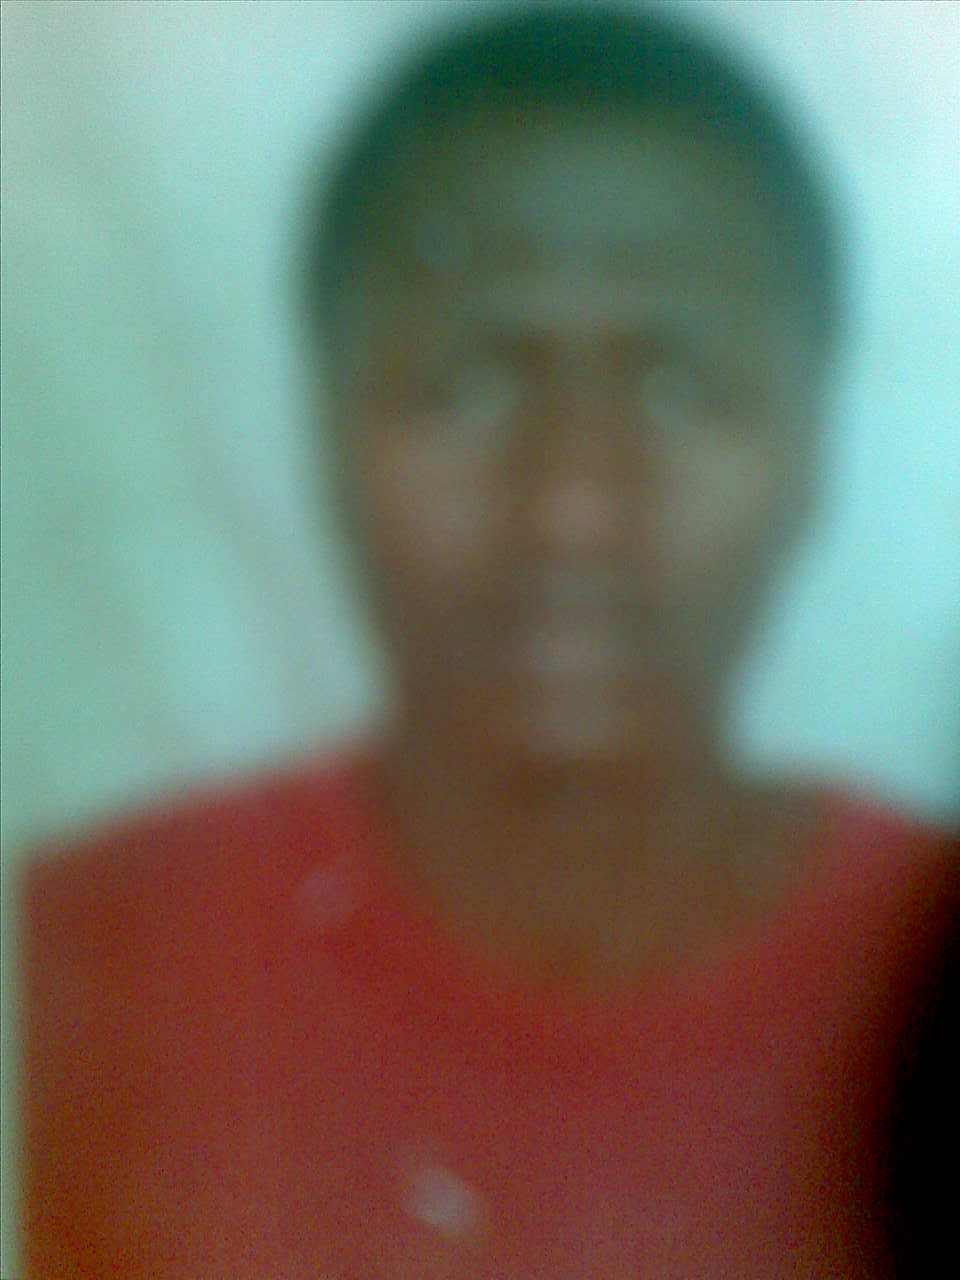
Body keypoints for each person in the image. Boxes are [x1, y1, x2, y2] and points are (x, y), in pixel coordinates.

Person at [21, 5, 959, 1277]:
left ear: (814, 440)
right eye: (465, 381)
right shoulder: (79, 963)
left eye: (683, 385)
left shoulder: (926, 954)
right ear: (325, 422)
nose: (573, 507)